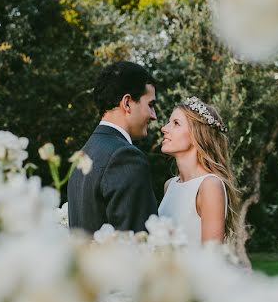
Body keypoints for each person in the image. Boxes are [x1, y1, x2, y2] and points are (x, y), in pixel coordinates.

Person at [67, 61, 159, 233]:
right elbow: (138, 246)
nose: (154, 116)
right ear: (127, 103)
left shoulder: (84, 154)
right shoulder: (125, 157)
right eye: (151, 105)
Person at [159, 96, 239, 245]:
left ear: (197, 134)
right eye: (168, 122)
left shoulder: (210, 185)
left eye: (176, 123)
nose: (164, 128)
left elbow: (211, 259)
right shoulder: (170, 185)